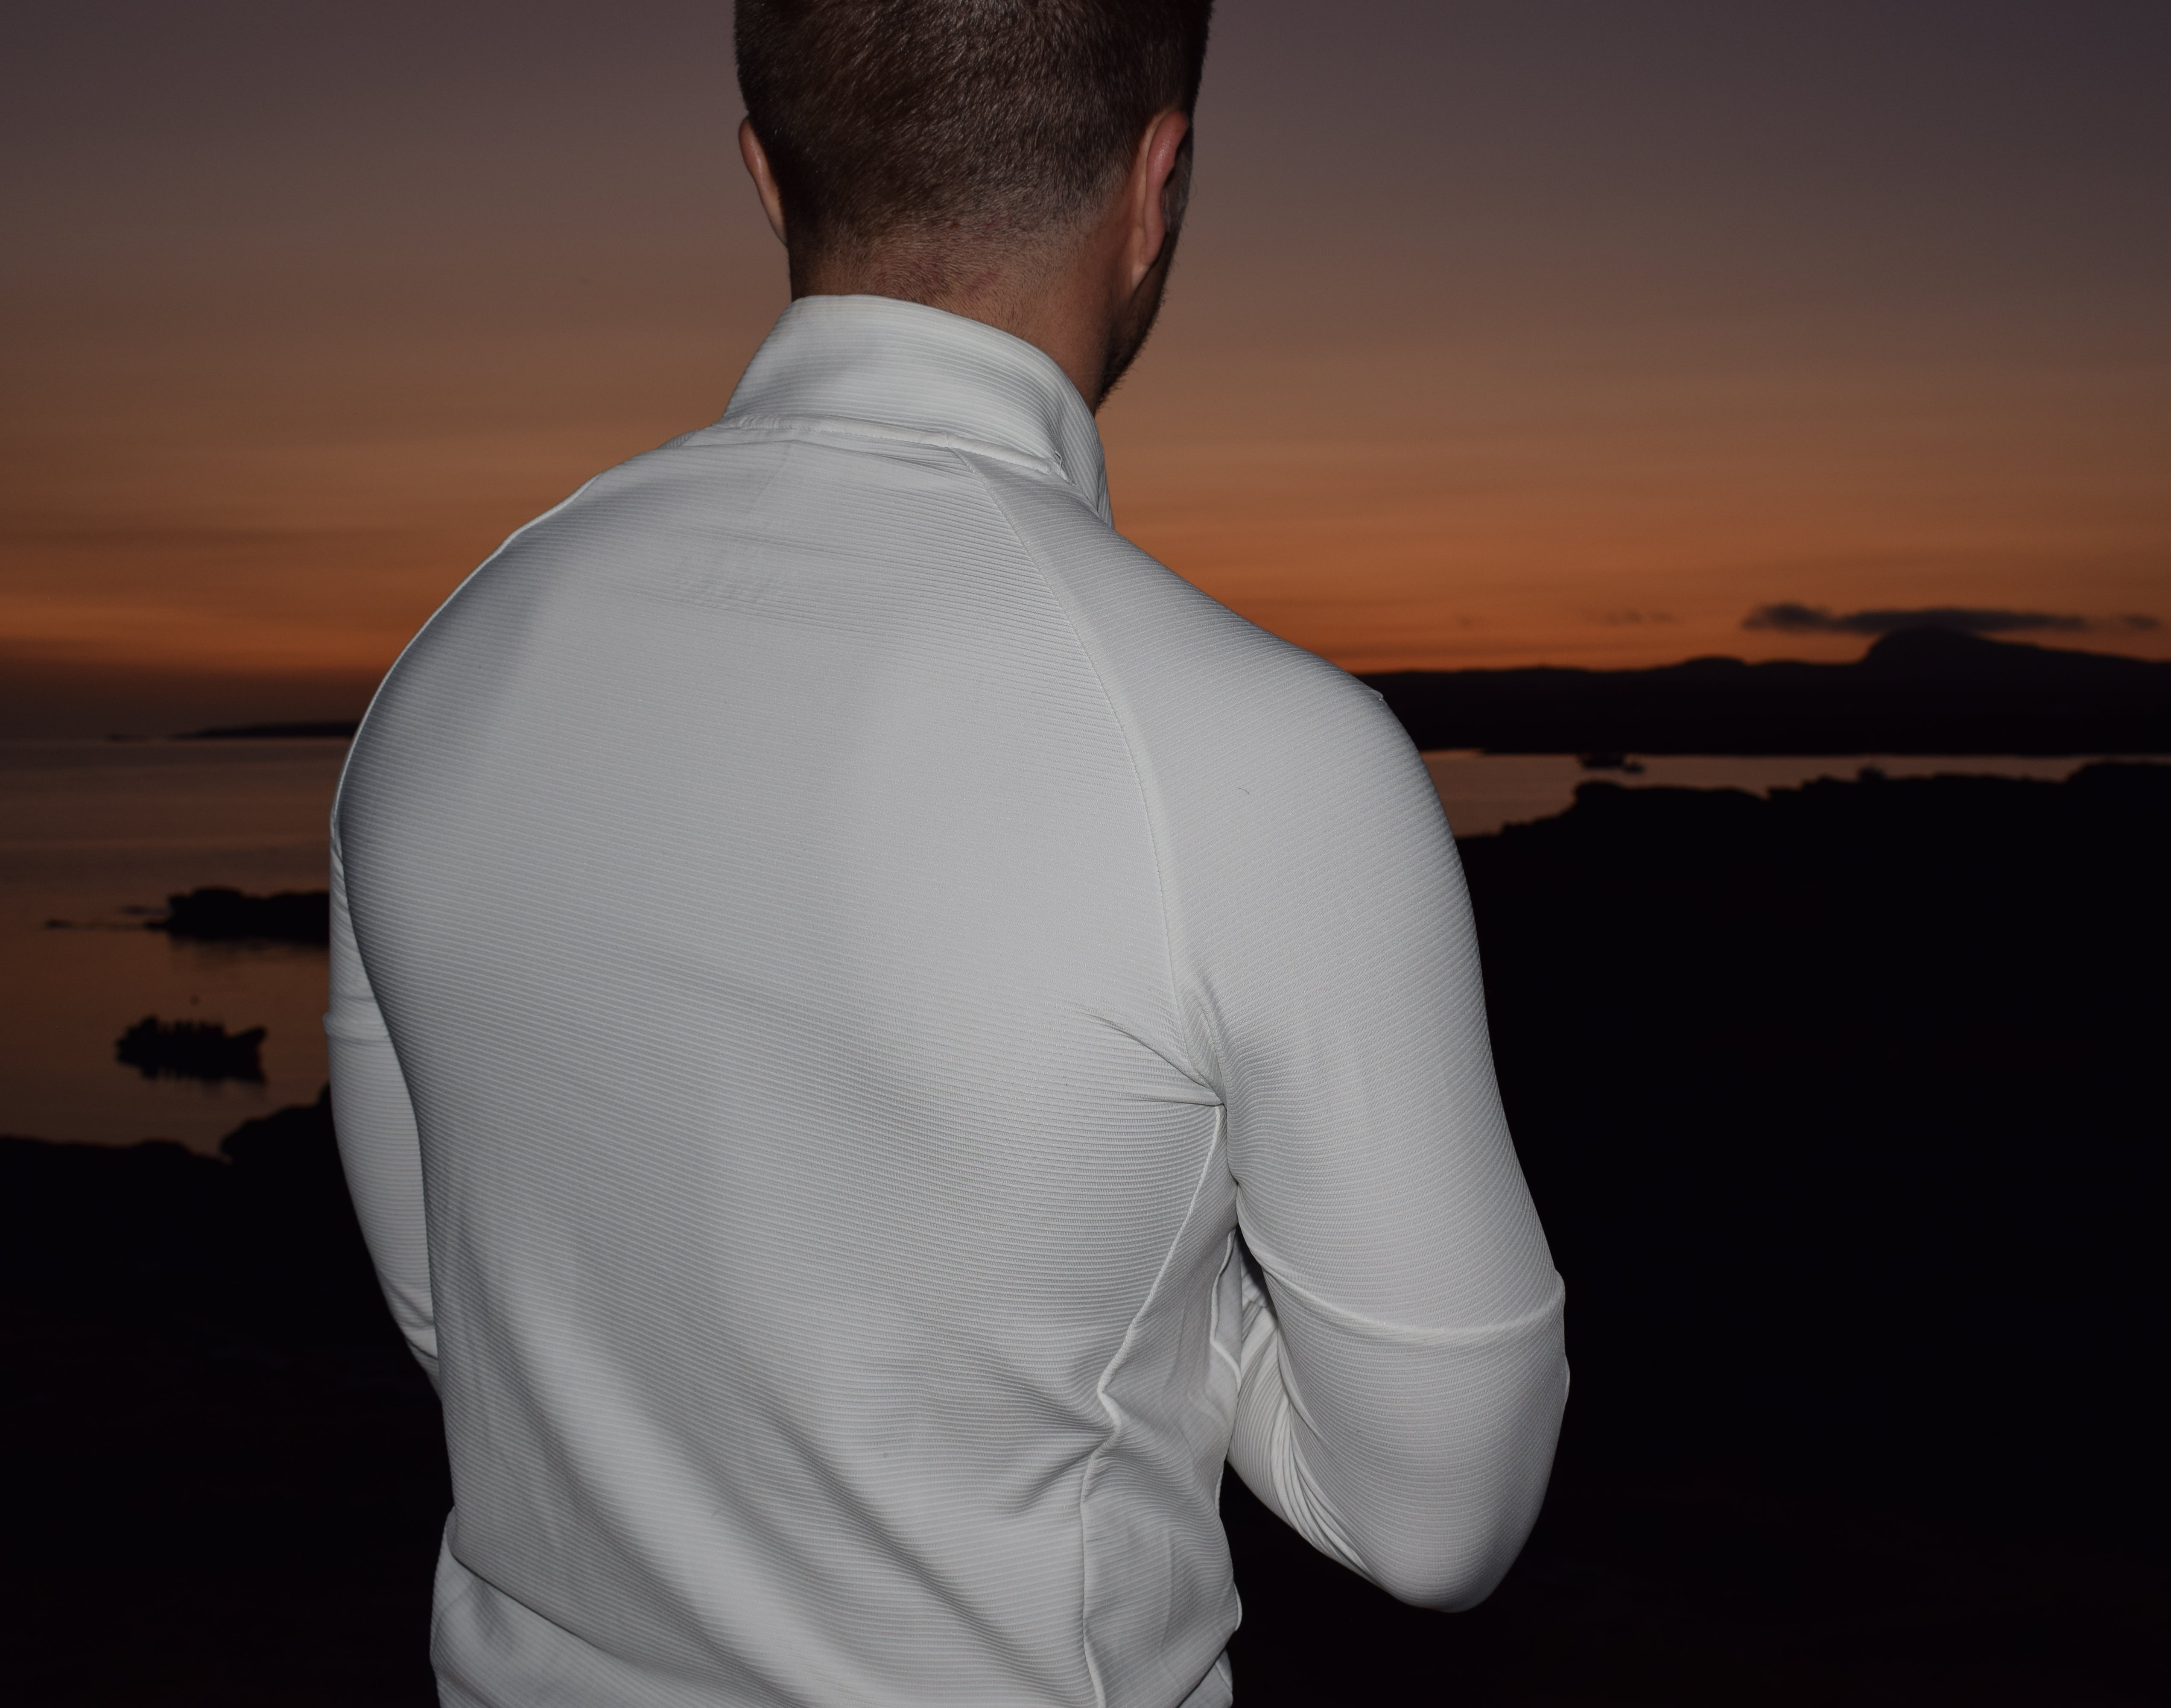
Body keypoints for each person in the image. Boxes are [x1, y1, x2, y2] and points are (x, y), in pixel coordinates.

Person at [325, 3, 1567, 1704]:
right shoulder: (1267, 756)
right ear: (1157, 184)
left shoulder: (452, 663)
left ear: (769, 175)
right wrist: (1143, 1289)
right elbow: (1441, 1518)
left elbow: (460, 1320)